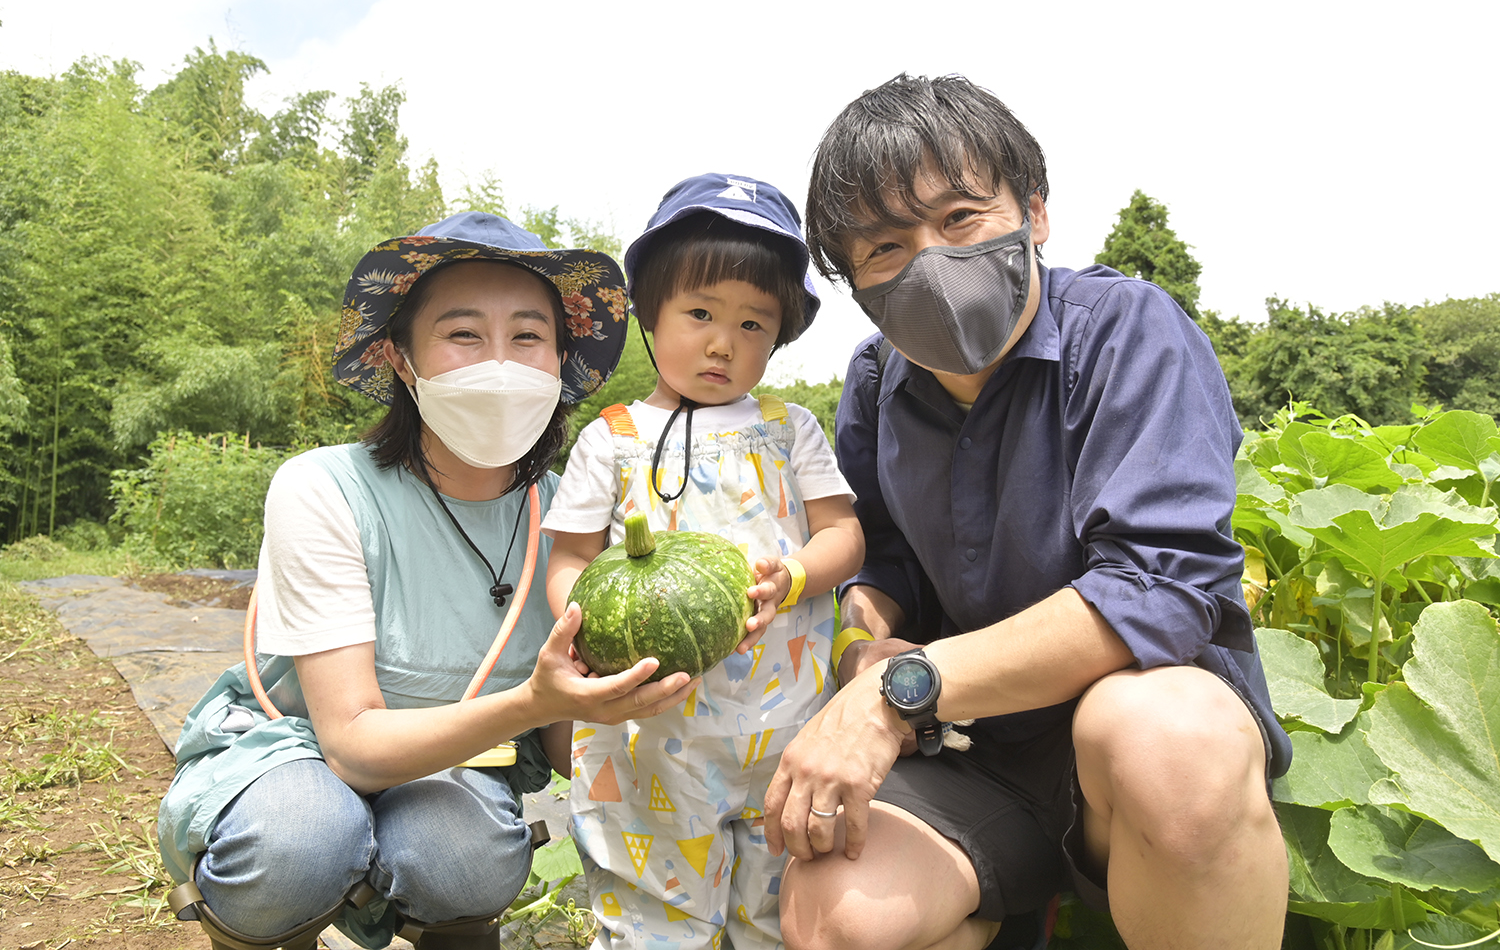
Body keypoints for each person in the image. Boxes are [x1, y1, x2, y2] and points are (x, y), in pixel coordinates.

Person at [763, 76, 1293, 950]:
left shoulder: (1128, 332)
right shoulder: (872, 383)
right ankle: (1010, 906)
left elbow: (1159, 589)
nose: (930, 261)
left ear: (1033, 215)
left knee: (1166, 740)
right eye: (887, 247)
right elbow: (878, 559)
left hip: (1127, 734)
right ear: (854, 280)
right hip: (975, 751)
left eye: (962, 219)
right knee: (840, 917)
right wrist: (865, 644)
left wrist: (899, 697)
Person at [157, 212, 699, 950]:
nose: (499, 364)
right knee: (301, 837)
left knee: (468, 858)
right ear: (400, 359)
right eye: (464, 334)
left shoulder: (575, 516)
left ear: (561, 363)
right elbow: (349, 744)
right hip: (304, 754)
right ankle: (265, 919)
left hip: (458, 770)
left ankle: (439, 918)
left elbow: (566, 730)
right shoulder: (323, 488)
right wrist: (532, 700)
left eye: (529, 337)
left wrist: (659, 686)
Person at [543, 174, 865, 950]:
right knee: (655, 916)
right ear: (650, 314)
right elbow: (570, 561)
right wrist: (587, 635)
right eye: (699, 314)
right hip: (652, 735)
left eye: (755, 324)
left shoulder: (792, 430)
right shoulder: (612, 440)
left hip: (786, 724)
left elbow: (844, 536)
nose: (724, 343)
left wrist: (795, 577)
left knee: (777, 911)